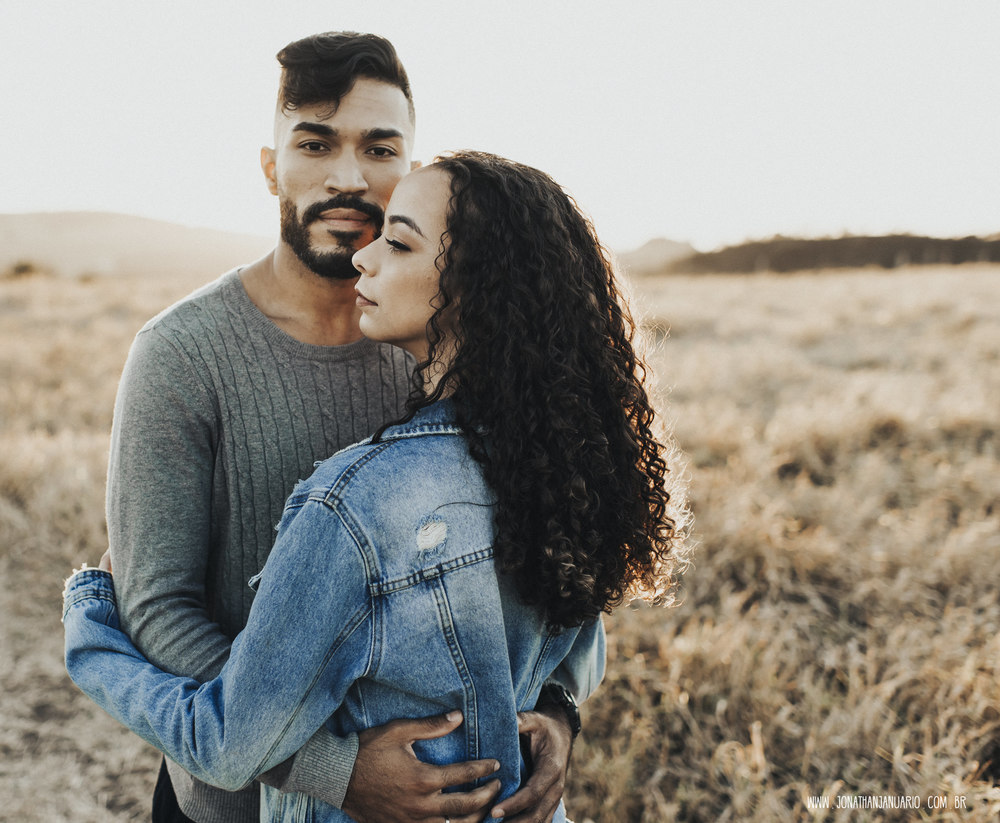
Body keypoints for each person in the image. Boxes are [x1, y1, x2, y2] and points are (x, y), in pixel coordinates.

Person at [65, 151, 688, 822]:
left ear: (474, 286)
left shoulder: (351, 503)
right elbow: (572, 644)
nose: (365, 257)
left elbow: (224, 744)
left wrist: (92, 624)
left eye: (398, 242)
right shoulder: (557, 467)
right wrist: (559, 713)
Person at [101, 32, 578, 823]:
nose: (349, 177)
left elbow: (543, 555)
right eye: (315, 143)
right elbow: (156, 607)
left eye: (379, 147)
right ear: (270, 166)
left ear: (413, 168)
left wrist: (559, 709)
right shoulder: (179, 355)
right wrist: (332, 767)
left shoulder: (448, 348)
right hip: (233, 802)